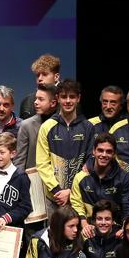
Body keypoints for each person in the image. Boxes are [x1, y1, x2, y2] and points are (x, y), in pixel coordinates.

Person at [36, 80, 95, 210]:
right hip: (54, 197)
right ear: (57, 98)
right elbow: (42, 163)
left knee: (77, 231)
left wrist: (70, 191)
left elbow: (91, 161)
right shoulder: (46, 127)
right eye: (64, 97)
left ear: (78, 98)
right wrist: (57, 190)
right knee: (54, 231)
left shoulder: (88, 127)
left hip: (79, 196)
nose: (68, 101)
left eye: (72, 97)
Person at [70, 133, 129, 224]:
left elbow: (126, 207)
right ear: (94, 151)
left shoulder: (123, 178)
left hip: (114, 229)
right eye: (100, 150)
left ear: (114, 154)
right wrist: (84, 223)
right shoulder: (80, 177)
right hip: (88, 228)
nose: (104, 155)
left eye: (108, 151)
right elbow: (76, 204)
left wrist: (124, 227)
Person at [17, 82, 57, 170]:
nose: (35, 102)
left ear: (53, 103)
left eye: (41, 99)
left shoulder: (63, 125)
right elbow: (20, 160)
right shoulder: (26, 125)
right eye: (36, 98)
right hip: (33, 179)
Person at [18, 53, 60, 120]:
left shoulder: (67, 100)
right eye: (37, 75)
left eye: (44, 74)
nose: (40, 78)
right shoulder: (27, 101)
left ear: (56, 77)